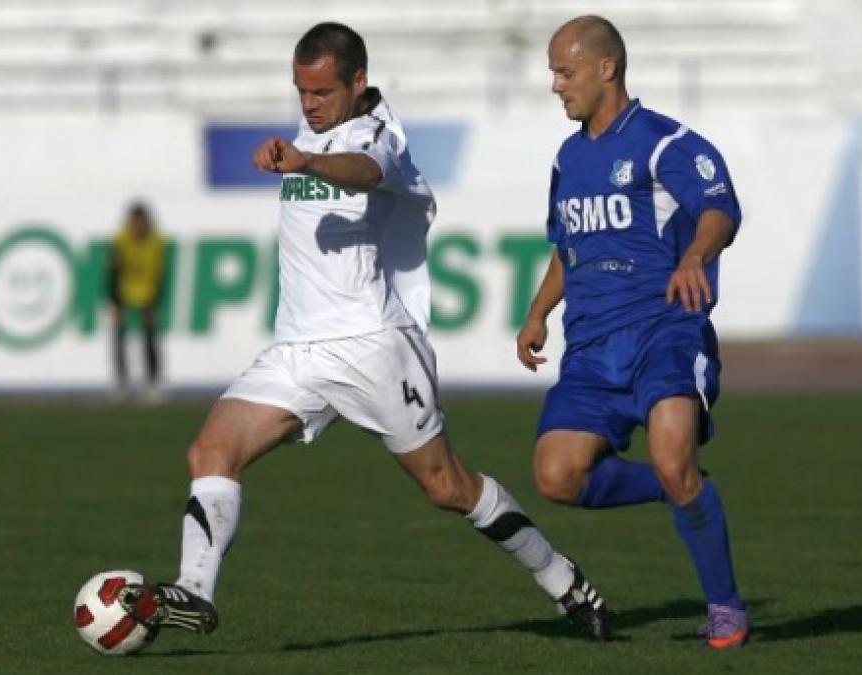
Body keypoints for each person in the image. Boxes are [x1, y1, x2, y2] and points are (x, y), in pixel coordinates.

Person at [120, 22, 611, 641]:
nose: (308, 104)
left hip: (373, 347)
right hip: (297, 349)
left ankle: (563, 579)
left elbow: (365, 172)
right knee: (210, 452)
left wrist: (307, 160)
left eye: (321, 92)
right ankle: (193, 591)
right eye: (300, 91)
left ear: (358, 83)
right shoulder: (314, 126)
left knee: (448, 487)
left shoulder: (379, 136)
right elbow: (317, 154)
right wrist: (292, 152)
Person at [516, 16, 748, 649]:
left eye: (564, 72)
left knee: (673, 453)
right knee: (555, 477)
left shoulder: (664, 142)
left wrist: (696, 255)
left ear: (605, 69)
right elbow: (567, 245)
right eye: (553, 73)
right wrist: (539, 312)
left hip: (662, 333)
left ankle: (725, 606)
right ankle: (684, 488)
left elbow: (719, 211)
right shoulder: (568, 159)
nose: (556, 86)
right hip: (591, 350)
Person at [108, 200, 167, 403]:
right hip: (125, 293)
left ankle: (153, 383)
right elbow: (113, 273)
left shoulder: (156, 242)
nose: (138, 226)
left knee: (150, 339)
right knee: (119, 339)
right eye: (135, 222)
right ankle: (122, 384)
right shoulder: (121, 241)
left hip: (148, 294)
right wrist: (115, 304)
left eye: (142, 222)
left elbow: (160, 274)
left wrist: (155, 302)